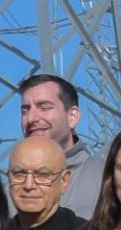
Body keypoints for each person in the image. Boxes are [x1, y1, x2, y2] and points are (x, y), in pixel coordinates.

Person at [17, 72, 103, 217]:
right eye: (25, 110)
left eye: (44, 107)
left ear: (72, 117)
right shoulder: (10, 192)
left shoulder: (105, 179)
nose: (31, 118)